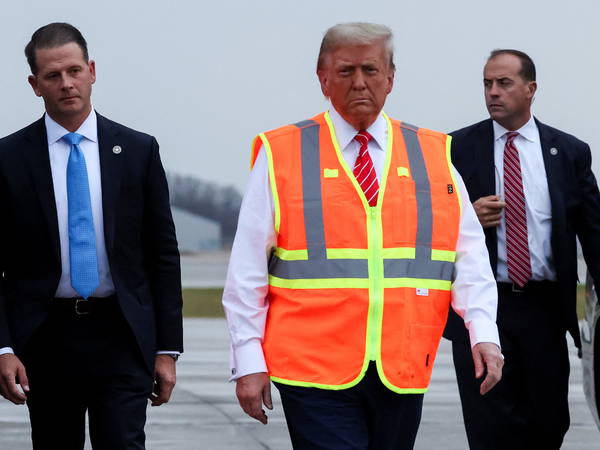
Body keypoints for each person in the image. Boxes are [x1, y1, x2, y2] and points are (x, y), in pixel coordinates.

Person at [223, 22, 503, 449]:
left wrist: (483, 332)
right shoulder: (283, 153)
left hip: (402, 366)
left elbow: (466, 257)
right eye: (345, 71)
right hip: (311, 370)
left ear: (391, 77)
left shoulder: (432, 154)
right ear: (322, 78)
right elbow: (247, 271)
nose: (359, 83)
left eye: (371, 70)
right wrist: (247, 358)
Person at [0, 23, 183, 449]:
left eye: (74, 71)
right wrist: (4, 347)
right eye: (52, 76)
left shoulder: (138, 150)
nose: (66, 84)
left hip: (121, 332)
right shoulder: (8, 159)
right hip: (45, 339)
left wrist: (167, 349)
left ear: (92, 71)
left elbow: (163, 255)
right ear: (34, 84)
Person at [443, 49, 600, 449]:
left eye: (504, 83)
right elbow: (422, 229)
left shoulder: (568, 153)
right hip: (482, 307)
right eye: (487, 83)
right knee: (490, 427)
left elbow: (594, 235)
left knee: (548, 423)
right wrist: (466, 217)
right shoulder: (453, 150)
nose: (492, 92)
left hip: (545, 309)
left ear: (531, 89)